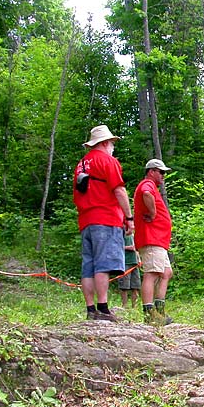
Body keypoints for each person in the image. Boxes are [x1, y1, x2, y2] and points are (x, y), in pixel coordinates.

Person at [73, 125, 134, 321]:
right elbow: (119, 190)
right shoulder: (108, 161)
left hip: (86, 221)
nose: (113, 147)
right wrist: (129, 218)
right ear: (106, 143)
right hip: (106, 218)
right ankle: (104, 308)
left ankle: (91, 310)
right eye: (112, 144)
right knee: (103, 265)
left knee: (88, 265)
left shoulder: (81, 165)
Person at [133, 158, 173, 326]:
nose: (163, 175)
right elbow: (146, 194)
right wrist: (152, 212)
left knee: (166, 273)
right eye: (161, 172)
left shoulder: (153, 186)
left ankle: (159, 310)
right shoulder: (147, 184)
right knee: (152, 273)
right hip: (151, 238)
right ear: (151, 172)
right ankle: (149, 315)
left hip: (159, 239)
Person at [118, 234, 141, 308]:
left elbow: (136, 249)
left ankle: (135, 307)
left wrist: (139, 259)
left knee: (136, 286)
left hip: (134, 264)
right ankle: (124, 306)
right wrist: (128, 247)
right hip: (125, 262)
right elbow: (115, 246)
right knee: (124, 286)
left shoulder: (134, 235)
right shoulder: (120, 233)